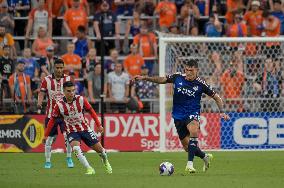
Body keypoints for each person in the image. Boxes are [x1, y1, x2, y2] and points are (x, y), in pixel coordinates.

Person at [133, 59, 230, 173]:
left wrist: (222, 111)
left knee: (194, 130)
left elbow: (217, 97)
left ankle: (190, 164)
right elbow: (162, 79)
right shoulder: (177, 77)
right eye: (187, 70)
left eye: (191, 70)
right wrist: (145, 78)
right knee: (187, 148)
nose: (188, 72)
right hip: (178, 116)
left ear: (197, 70)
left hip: (192, 113)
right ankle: (205, 157)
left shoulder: (201, 84)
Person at [44, 81, 112, 175]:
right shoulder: (59, 105)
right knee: (76, 148)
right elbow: (52, 120)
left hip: (85, 129)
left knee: (102, 151)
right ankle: (89, 169)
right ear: (63, 91)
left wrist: (99, 125)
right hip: (71, 131)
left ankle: (105, 162)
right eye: (68, 91)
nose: (71, 93)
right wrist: (46, 135)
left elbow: (91, 111)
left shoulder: (81, 99)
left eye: (73, 90)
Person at [37, 59, 74, 169]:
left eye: (61, 68)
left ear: (63, 68)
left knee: (68, 137)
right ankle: (48, 161)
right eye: (57, 68)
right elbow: (42, 93)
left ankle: (68, 158)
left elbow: (72, 94)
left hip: (65, 115)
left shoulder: (67, 79)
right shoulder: (47, 80)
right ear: (54, 68)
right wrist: (39, 102)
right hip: (51, 115)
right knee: (50, 139)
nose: (59, 70)